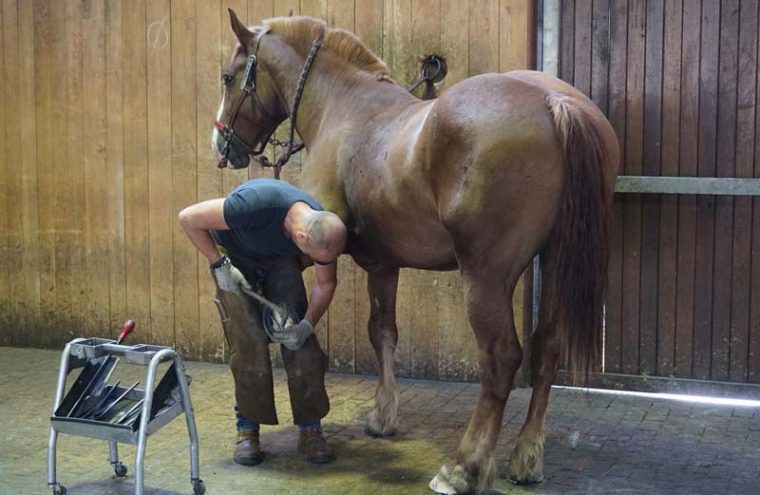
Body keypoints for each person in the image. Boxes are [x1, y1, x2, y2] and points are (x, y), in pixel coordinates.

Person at [178, 178, 347, 466]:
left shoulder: (323, 227)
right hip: (237, 259)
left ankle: (311, 428)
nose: (317, 262)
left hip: (281, 261)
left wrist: (306, 325)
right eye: (313, 257)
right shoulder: (255, 204)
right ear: (302, 239)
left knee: (300, 343)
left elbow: (326, 283)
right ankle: (247, 428)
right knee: (248, 343)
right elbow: (189, 218)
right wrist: (219, 264)